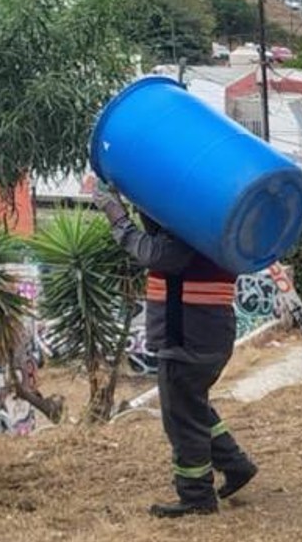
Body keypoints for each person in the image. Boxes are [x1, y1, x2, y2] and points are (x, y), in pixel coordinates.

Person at [96, 187, 258, 519]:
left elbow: (157, 254)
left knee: (181, 418)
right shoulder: (212, 215)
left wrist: (118, 217)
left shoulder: (190, 222)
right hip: (205, 330)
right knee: (191, 404)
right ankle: (235, 464)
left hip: (187, 333)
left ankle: (196, 495)